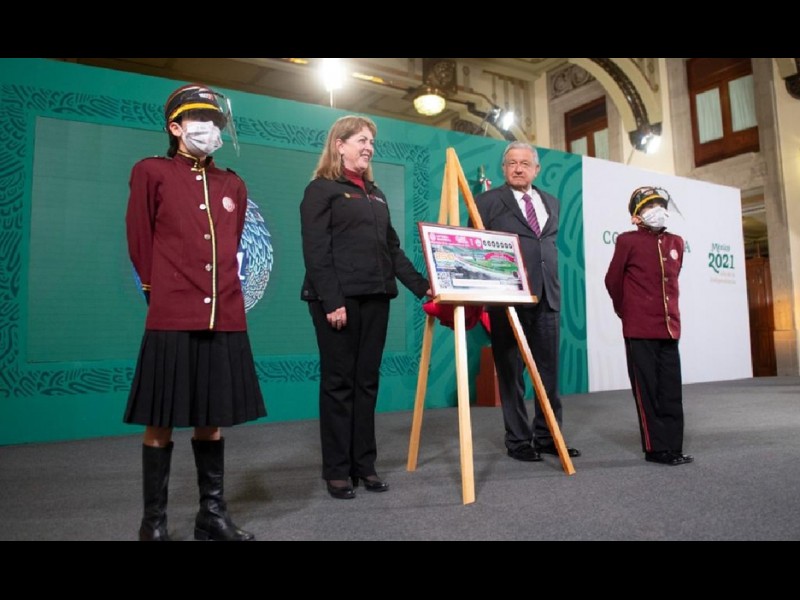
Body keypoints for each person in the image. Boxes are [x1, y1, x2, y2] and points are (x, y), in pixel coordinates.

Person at [125, 83, 267, 540]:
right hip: (172, 311)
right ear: (175, 127)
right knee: (160, 418)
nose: (209, 127)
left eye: (214, 120)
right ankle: (154, 523)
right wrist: (157, 291)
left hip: (222, 313)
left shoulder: (232, 184)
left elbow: (230, 243)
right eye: (198, 119)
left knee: (213, 417)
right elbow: (140, 238)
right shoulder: (151, 172)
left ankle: (212, 515)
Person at [300, 115, 431, 500]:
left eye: (371, 141)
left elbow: (392, 250)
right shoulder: (320, 189)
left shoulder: (376, 195)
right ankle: (337, 471)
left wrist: (424, 288)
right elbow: (315, 250)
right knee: (339, 384)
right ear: (339, 145)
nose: (369, 147)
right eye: (361, 139)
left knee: (366, 383)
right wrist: (332, 300)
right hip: (337, 302)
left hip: (376, 298)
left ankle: (364, 465)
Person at [474, 142, 581, 462]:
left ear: (536, 169)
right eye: (511, 163)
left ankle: (548, 437)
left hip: (548, 296)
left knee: (548, 374)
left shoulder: (552, 202)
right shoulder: (486, 202)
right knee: (511, 374)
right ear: (503, 169)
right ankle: (519, 440)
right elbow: (477, 248)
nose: (518, 168)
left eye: (524, 163)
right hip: (508, 298)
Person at [604, 186, 693, 466]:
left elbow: (672, 281)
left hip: (669, 327)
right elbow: (612, 280)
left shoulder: (676, 242)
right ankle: (656, 449)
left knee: (671, 390)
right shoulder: (627, 241)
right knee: (648, 391)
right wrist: (627, 312)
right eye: (648, 207)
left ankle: (673, 446)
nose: (657, 210)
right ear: (636, 216)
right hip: (639, 327)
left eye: (660, 205)